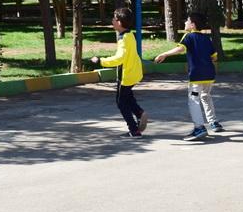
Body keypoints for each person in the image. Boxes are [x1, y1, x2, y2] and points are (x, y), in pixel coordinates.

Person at [154, 12, 223, 142]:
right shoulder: (206, 38)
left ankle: (199, 127)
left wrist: (164, 54)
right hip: (209, 75)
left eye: (187, 21)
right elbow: (214, 57)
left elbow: (180, 49)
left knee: (194, 100)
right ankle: (214, 122)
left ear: (192, 25)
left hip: (197, 75)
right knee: (206, 97)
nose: (184, 23)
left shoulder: (189, 36)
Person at [91, 7, 148, 139]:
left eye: (114, 19)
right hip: (134, 72)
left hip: (126, 76)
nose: (112, 21)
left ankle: (134, 130)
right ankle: (139, 112)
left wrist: (101, 61)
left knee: (121, 102)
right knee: (128, 97)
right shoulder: (129, 35)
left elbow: (119, 58)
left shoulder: (123, 39)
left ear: (120, 23)